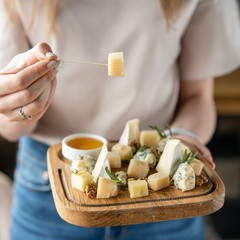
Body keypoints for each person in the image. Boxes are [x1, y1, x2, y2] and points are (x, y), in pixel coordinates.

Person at [0, 0, 239, 239]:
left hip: (163, 190)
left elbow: (198, 97)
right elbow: (10, 131)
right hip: (53, 185)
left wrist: (178, 142)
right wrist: (21, 105)